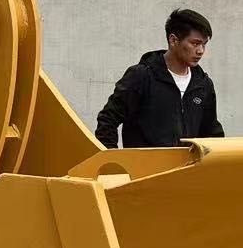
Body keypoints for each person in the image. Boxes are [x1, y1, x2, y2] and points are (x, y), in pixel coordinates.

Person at [95, 8, 223, 148]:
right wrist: (113, 164)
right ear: (173, 40)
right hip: (145, 168)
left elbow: (212, 134)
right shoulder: (141, 76)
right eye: (195, 43)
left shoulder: (203, 84)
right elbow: (107, 120)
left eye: (204, 44)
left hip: (187, 169)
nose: (200, 51)